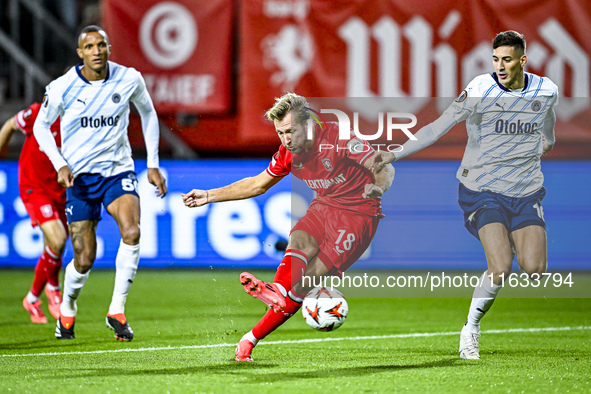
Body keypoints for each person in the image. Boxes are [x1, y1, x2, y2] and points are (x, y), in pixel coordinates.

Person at [372, 30, 558, 359]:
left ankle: (515, 234)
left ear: (523, 60)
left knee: (534, 269)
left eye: (508, 60)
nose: (500, 66)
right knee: (500, 266)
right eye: (496, 59)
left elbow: (547, 121)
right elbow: (439, 125)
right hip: (481, 188)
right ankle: (470, 328)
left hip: (525, 189)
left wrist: (547, 140)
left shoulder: (546, 90)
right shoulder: (479, 90)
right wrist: (395, 153)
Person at [182, 92, 395, 361]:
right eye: (280, 133)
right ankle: (277, 292)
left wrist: (378, 187)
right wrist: (209, 195)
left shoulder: (339, 138)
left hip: (357, 215)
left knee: (304, 284)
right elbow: (257, 184)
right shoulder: (287, 153)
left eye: (290, 131)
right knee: (299, 238)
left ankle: (251, 337)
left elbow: (383, 167)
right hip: (325, 205)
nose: (286, 139)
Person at [33, 25, 167, 341]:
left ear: (109, 48)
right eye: (89, 46)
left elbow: (148, 114)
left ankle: (116, 310)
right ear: (80, 52)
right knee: (84, 257)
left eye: (101, 45)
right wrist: (60, 163)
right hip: (79, 180)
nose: (96, 51)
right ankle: (67, 308)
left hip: (118, 172)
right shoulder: (63, 87)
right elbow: (41, 127)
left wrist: (152, 163)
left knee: (132, 231)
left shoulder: (129, 78)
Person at [0, 103, 67, 324]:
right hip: (34, 187)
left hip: (60, 190)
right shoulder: (39, 112)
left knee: (52, 247)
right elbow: (10, 124)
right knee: (58, 240)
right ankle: (54, 290)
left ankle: (31, 299)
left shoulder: (80, 120)